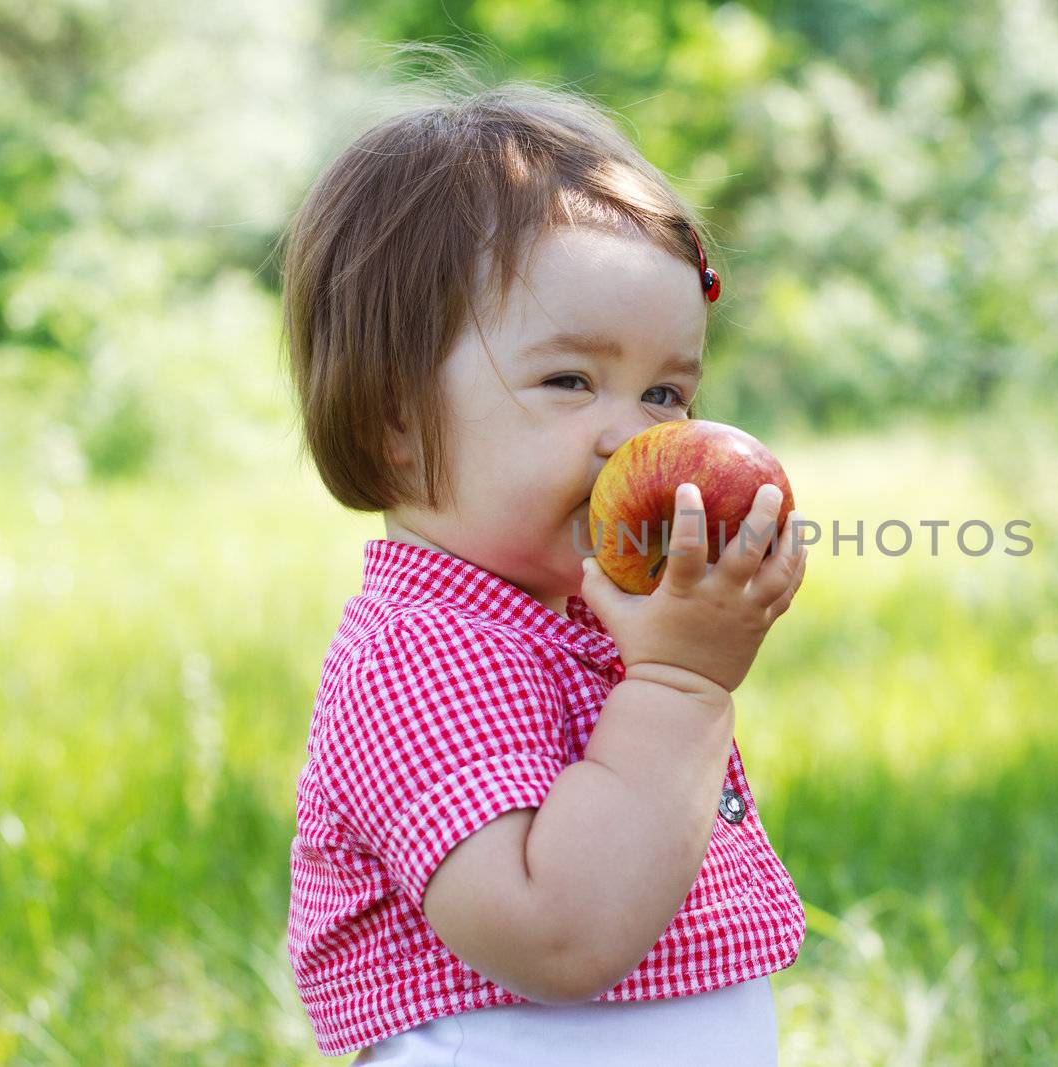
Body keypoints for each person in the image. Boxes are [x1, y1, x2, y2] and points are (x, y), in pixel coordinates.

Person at [278, 80, 809, 1064]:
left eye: (665, 391)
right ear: (394, 420)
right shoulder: (418, 659)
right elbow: (557, 936)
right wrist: (681, 685)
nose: (634, 433)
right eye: (571, 379)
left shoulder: (581, 628)